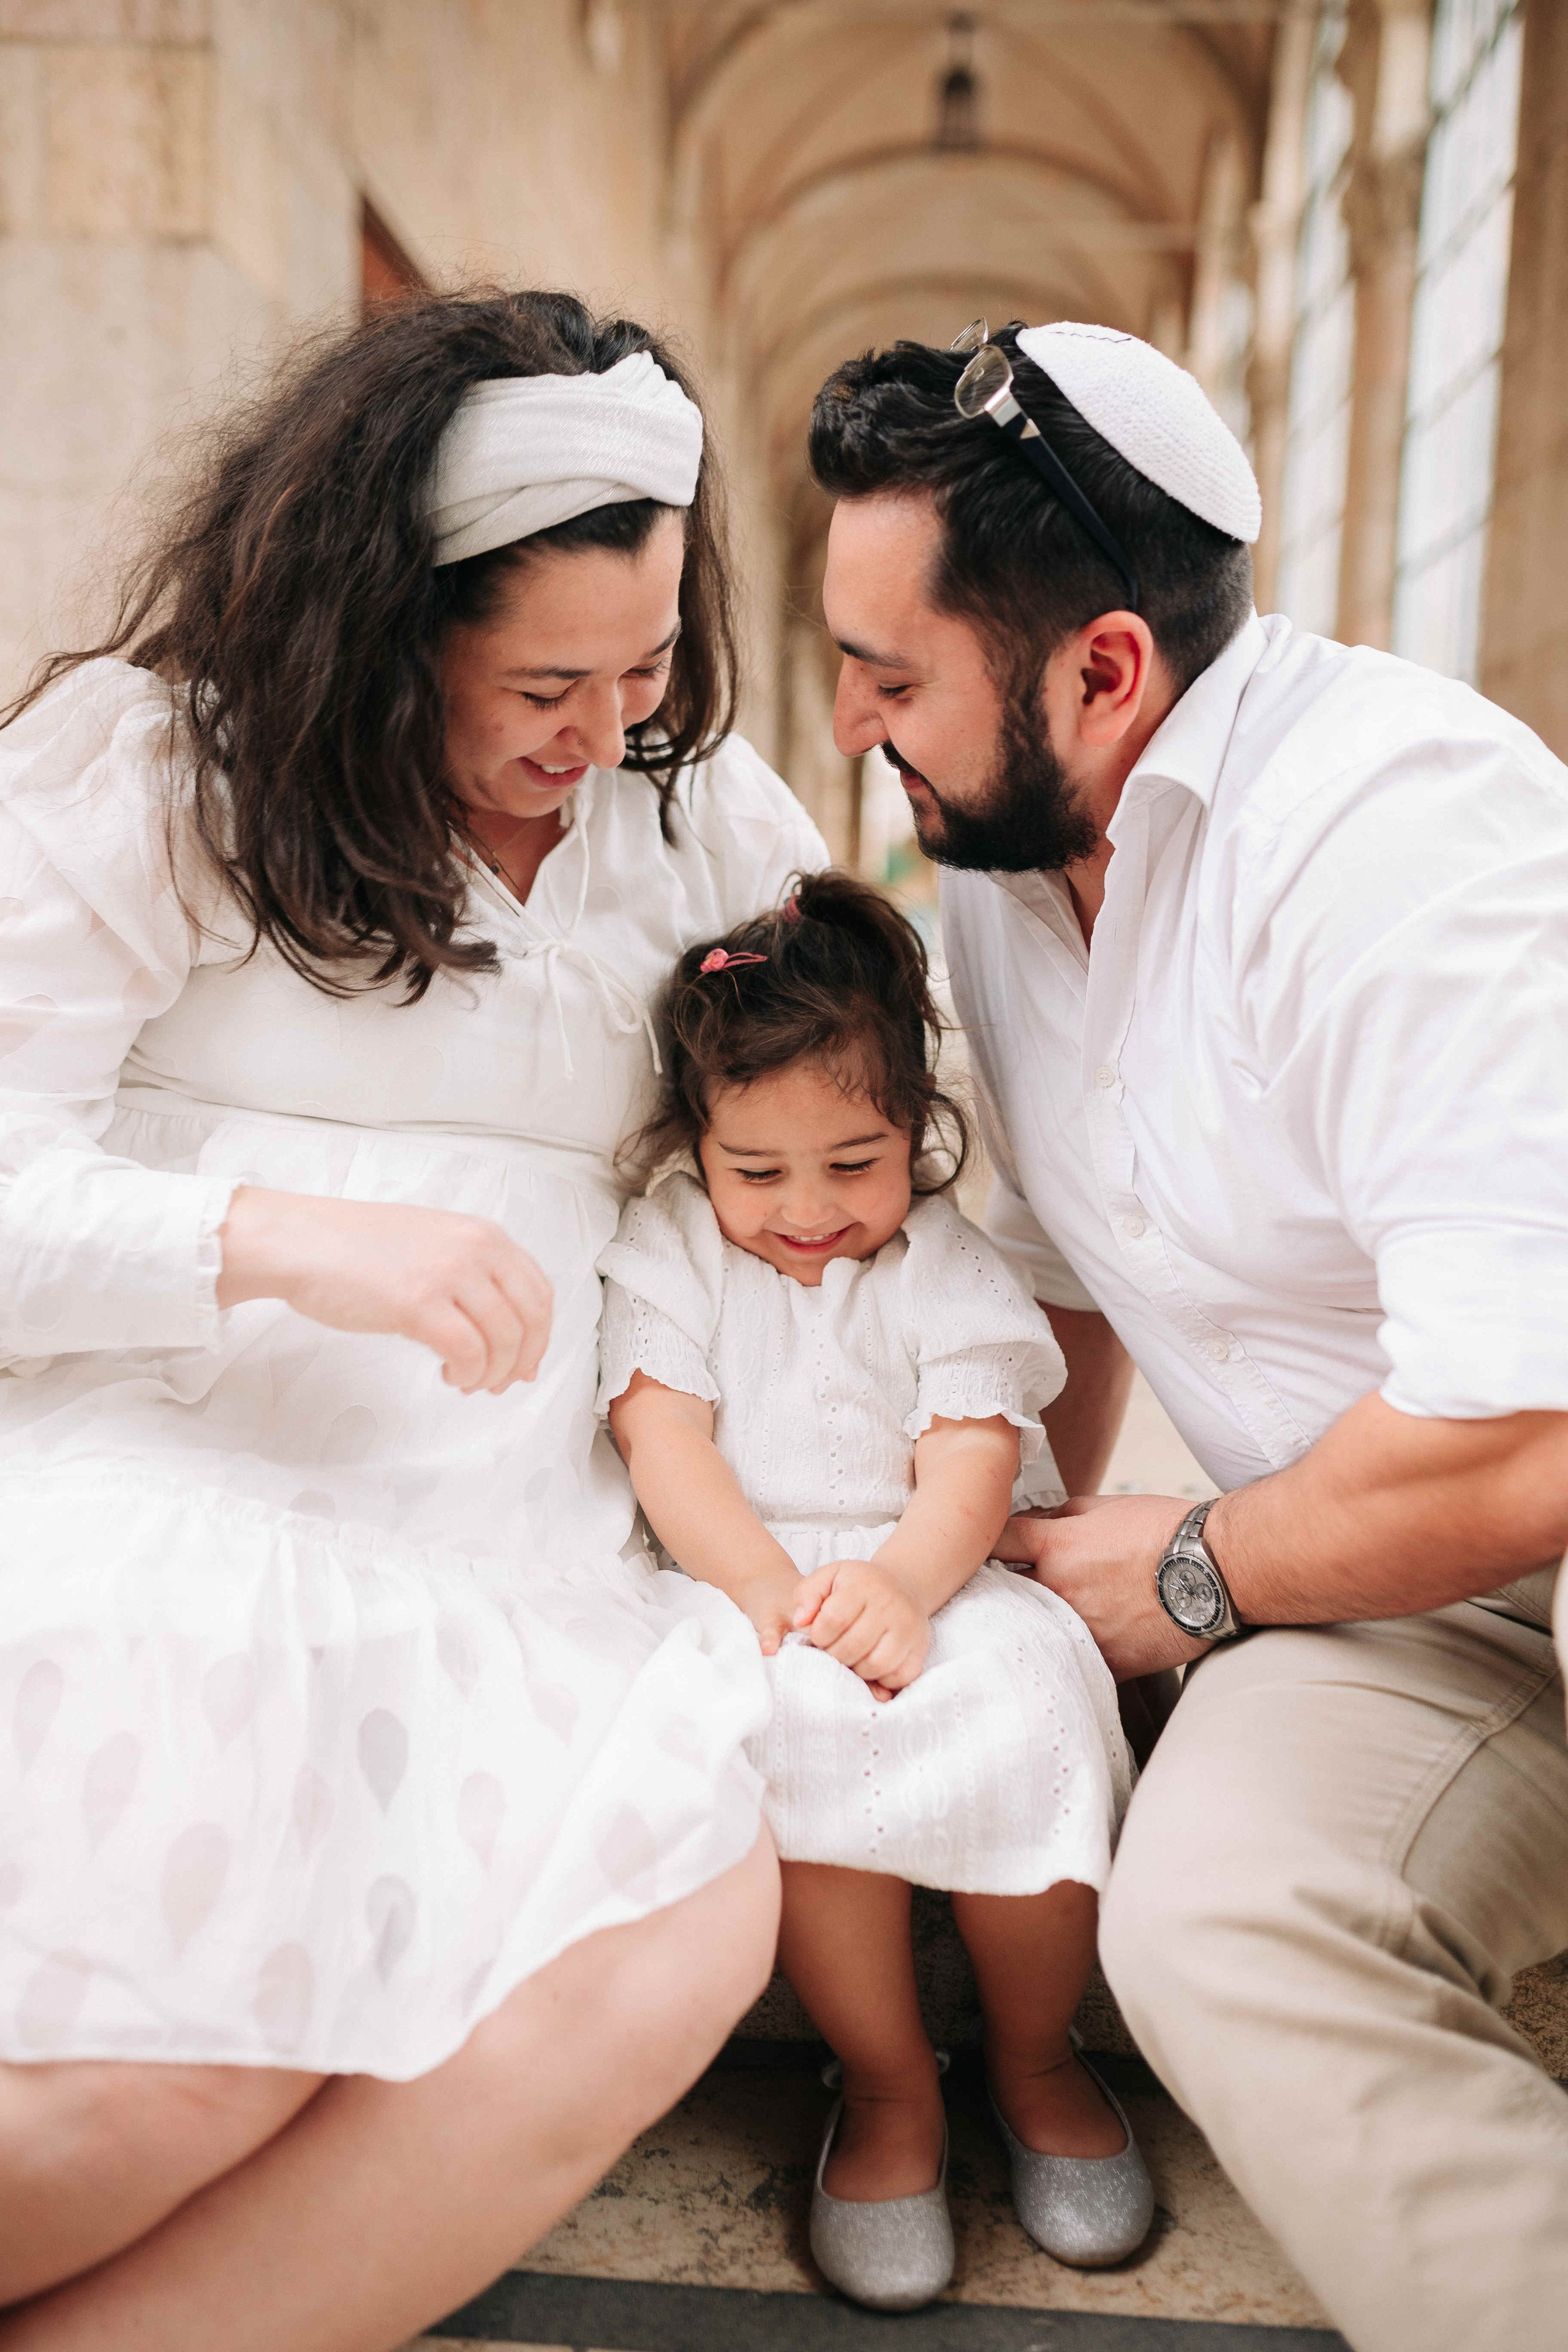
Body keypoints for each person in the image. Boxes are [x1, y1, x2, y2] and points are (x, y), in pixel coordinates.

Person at [0, 287, 827, 2350]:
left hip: (514, 1551)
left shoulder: (708, 830)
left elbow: (864, 1134)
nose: (606, 725)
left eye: (646, 662)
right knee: (161, 2074)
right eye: (546, 676)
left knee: (677, 1930)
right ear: (386, 629)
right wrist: (273, 1236)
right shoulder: (165, 776)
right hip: (181, 1498)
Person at [807, 317, 1568, 2352]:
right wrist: (986, 1578)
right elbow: (1062, 1281)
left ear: (1106, 670)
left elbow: (1532, 1439)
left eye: (892, 678)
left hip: (1516, 1509)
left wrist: (1197, 1574)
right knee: (1216, 1928)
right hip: (1397, 1595)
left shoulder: (1407, 836)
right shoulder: (1003, 855)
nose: (852, 716)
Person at [597, 870, 1149, 2311]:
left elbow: (971, 1454)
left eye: (854, 1161)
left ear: (916, 1130)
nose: (806, 1210)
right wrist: (776, 1592)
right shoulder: (669, 1248)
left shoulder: (939, 1262)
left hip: (940, 1569)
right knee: (793, 1735)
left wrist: (904, 1583)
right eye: (756, 1172)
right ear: (694, 1146)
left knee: (1031, 1710)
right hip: (750, 1579)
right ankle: (890, 2085)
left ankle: (1035, 2053)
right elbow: (664, 1440)